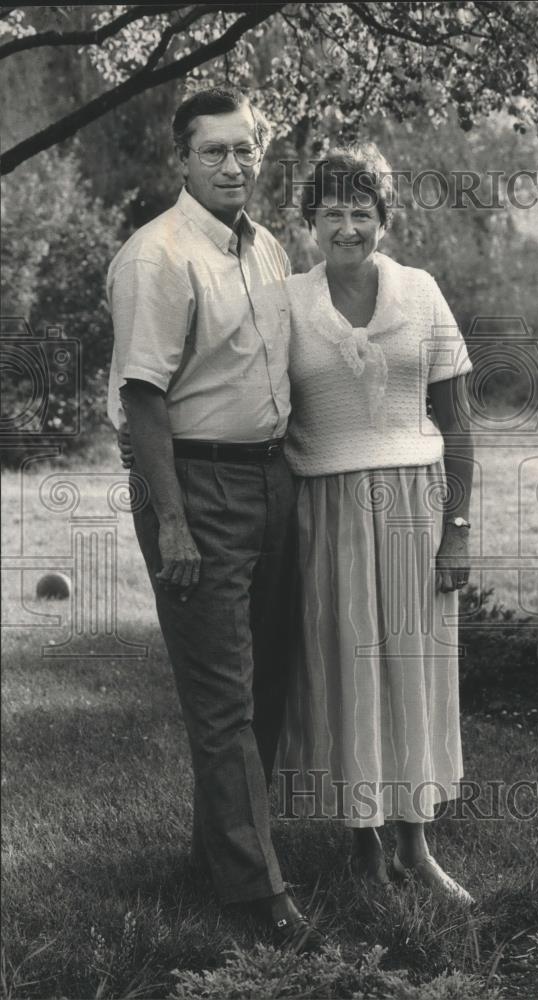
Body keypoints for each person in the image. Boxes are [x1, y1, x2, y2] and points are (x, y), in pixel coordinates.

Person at [107, 83, 323, 951]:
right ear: (182, 160)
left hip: (271, 480)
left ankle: (220, 856)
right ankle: (254, 899)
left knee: (267, 683)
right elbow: (142, 398)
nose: (234, 165)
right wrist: (172, 523)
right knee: (222, 700)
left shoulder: (264, 246)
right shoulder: (156, 256)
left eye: (245, 149)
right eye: (215, 151)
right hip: (194, 488)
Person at [276, 144, 475, 905]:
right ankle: (362, 846)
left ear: (384, 220)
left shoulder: (420, 293)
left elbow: (455, 422)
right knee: (343, 671)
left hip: (415, 510)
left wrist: (455, 527)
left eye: (363, 212)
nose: (348, 227)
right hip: (322, 510)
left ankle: (417, 847)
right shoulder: (286, 300)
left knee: (412, 675)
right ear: (309, 222)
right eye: (332, 213)